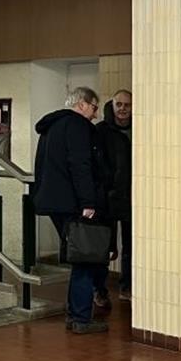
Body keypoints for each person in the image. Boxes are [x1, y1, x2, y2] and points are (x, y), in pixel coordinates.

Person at [32, 86, 112, 334]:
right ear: (82, 104)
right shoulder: (77, 126)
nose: (96, 115)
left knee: (79, 257)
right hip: (73, 203)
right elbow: (81, 165)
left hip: (54, 201)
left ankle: (75, 314)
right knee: (85, 259)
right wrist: (88, 202)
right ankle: (80, 318)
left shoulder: (51, 127)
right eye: (94, 107)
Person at [94, 90, 132, 306]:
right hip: (107, 197)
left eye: (127, 105)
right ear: (113, 104)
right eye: (119, 104)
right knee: (104, 248)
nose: (123, 109)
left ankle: (127, 287)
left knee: (131, 246)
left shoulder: (140, 128)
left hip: (131, 196)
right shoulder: (101, 130)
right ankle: (99, 290)